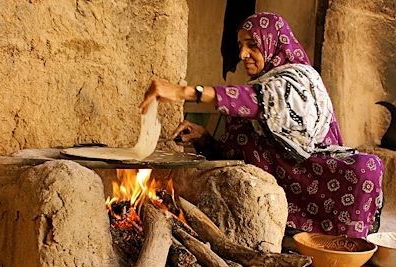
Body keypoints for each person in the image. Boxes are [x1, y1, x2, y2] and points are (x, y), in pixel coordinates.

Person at [140, 12, 383, 238]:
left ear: (273, 44)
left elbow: (263, 99)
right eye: (240, 46)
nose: (242, 54)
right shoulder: (255, 93)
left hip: (314, 176)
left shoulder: (298, 80)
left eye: (252, 45)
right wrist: (203, 137)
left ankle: (343, 245)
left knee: (367, 167)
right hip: (274, 187)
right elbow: (236, 153)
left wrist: (184, 92)